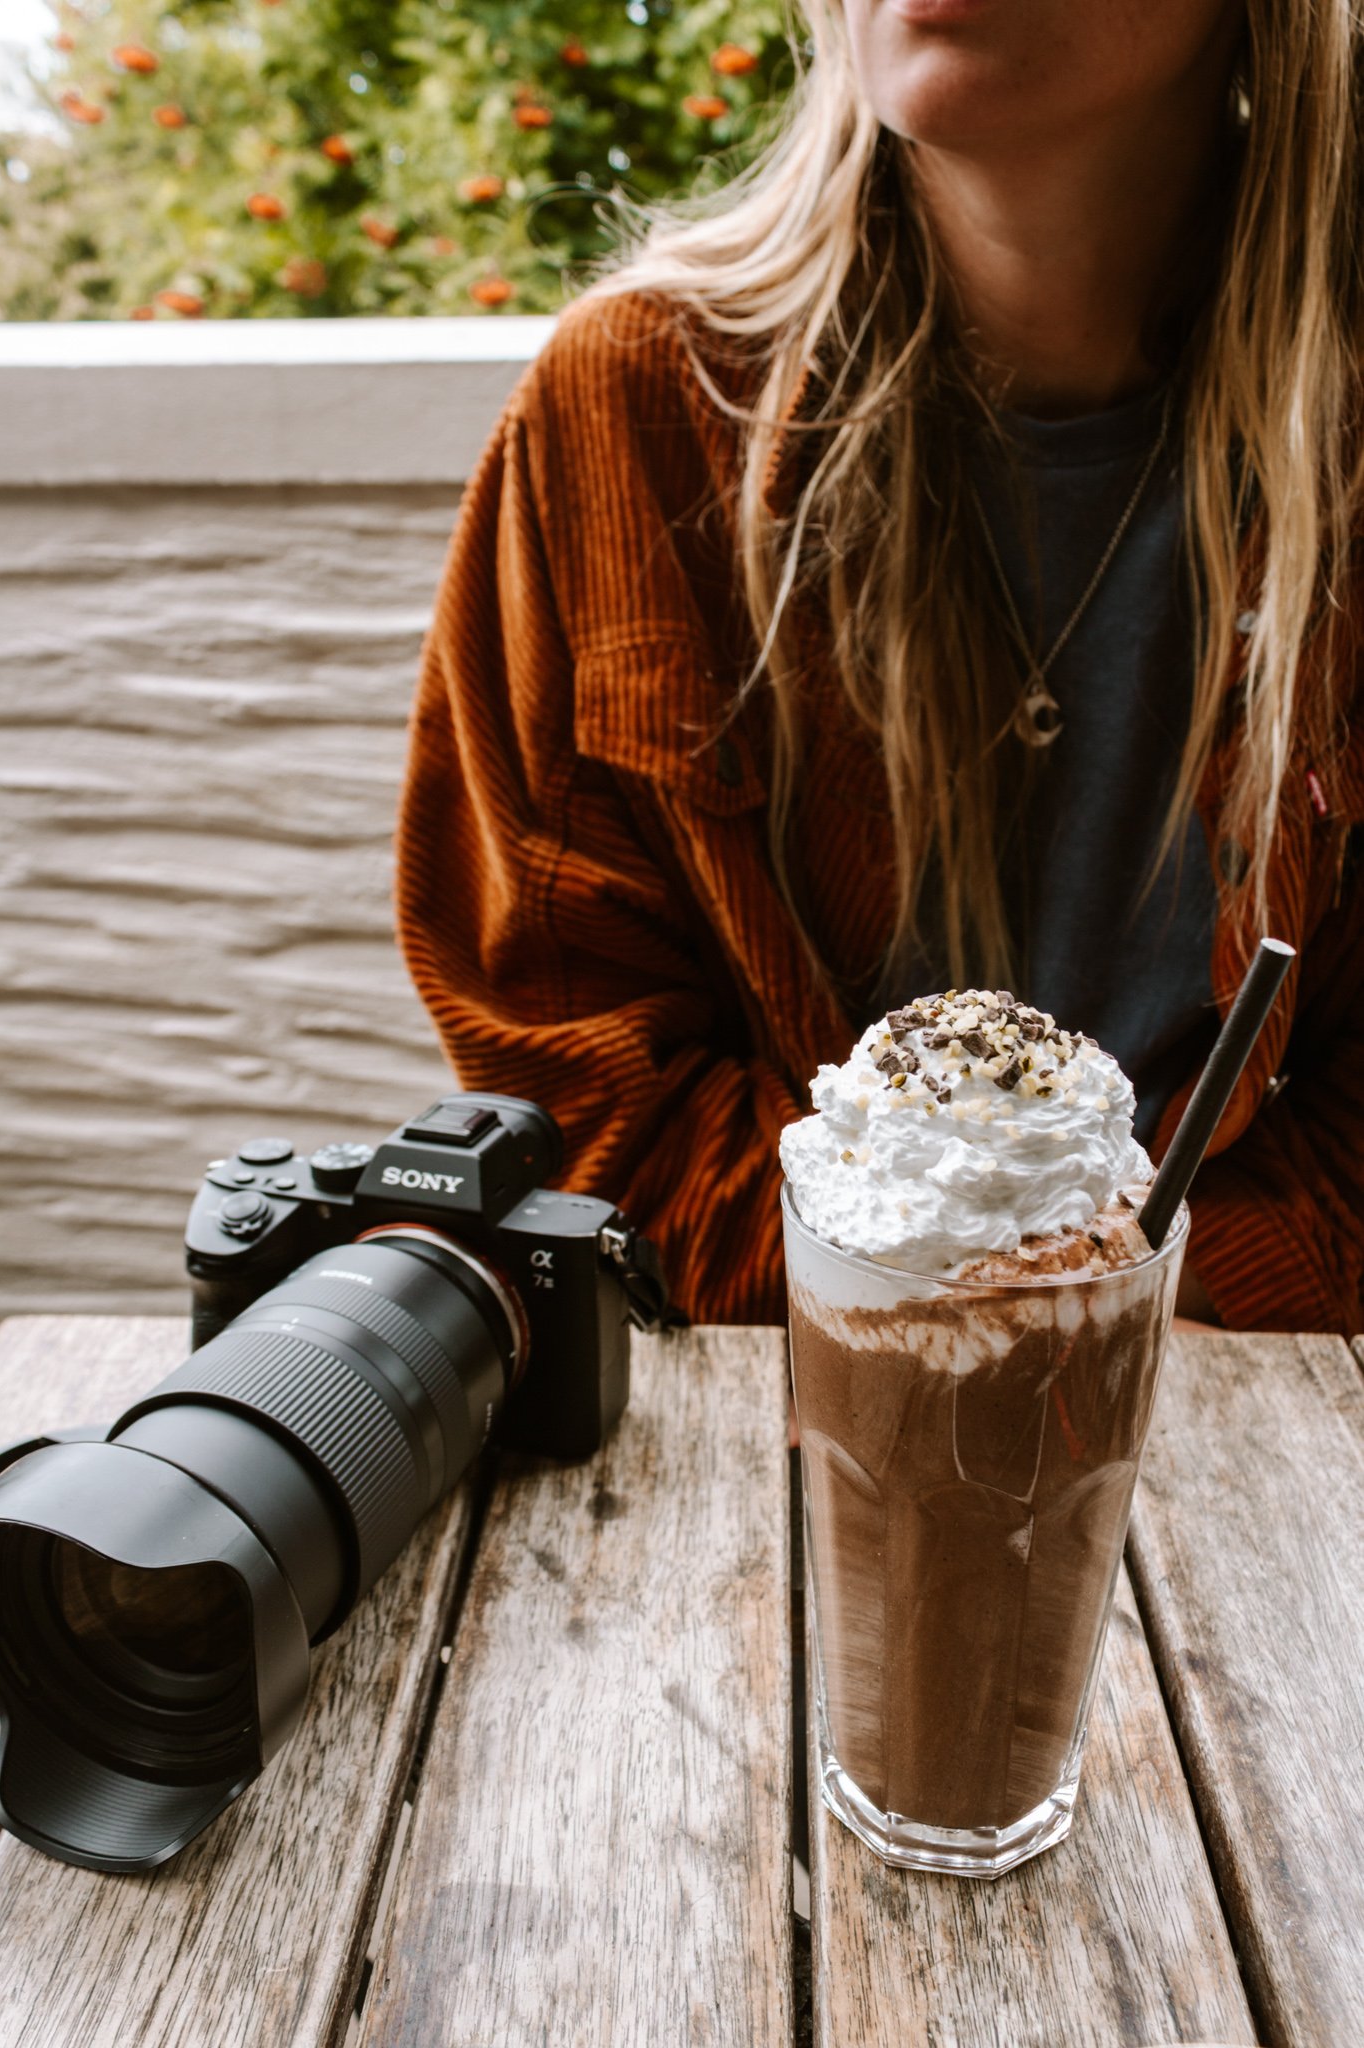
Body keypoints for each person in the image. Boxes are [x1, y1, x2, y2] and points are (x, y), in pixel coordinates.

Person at [395, 0, 1364, 1336]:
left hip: (1268, 1430)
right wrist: (945, 1311)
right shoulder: (628, 417)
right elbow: (575, 1081)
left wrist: (1127, 1307)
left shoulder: (1346, 453)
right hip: (764, 1418)